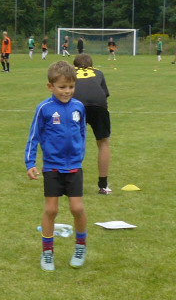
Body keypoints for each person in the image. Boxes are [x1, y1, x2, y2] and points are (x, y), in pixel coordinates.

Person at [25, 60, 87, 272]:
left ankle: (80, 247)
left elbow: (82, 134)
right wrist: (30, 162)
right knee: (51, 210)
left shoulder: (79, 107)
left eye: (71, 86)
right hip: (52, 167)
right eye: (62, 87)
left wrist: (80, 155)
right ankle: (47, 252)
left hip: (74, 167)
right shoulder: (44, 108)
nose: (67, 91)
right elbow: (34, 136)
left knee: (77, 208)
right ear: (50, 86)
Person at [73, 54, 112, 194]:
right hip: (98, 104)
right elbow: (104, 94)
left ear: (74, 66)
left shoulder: (71, 72)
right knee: (103, 143)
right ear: (91, 65)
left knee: (72, 141)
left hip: (76, 104)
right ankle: (103, 185)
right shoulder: (98, 72)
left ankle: (70, 181)